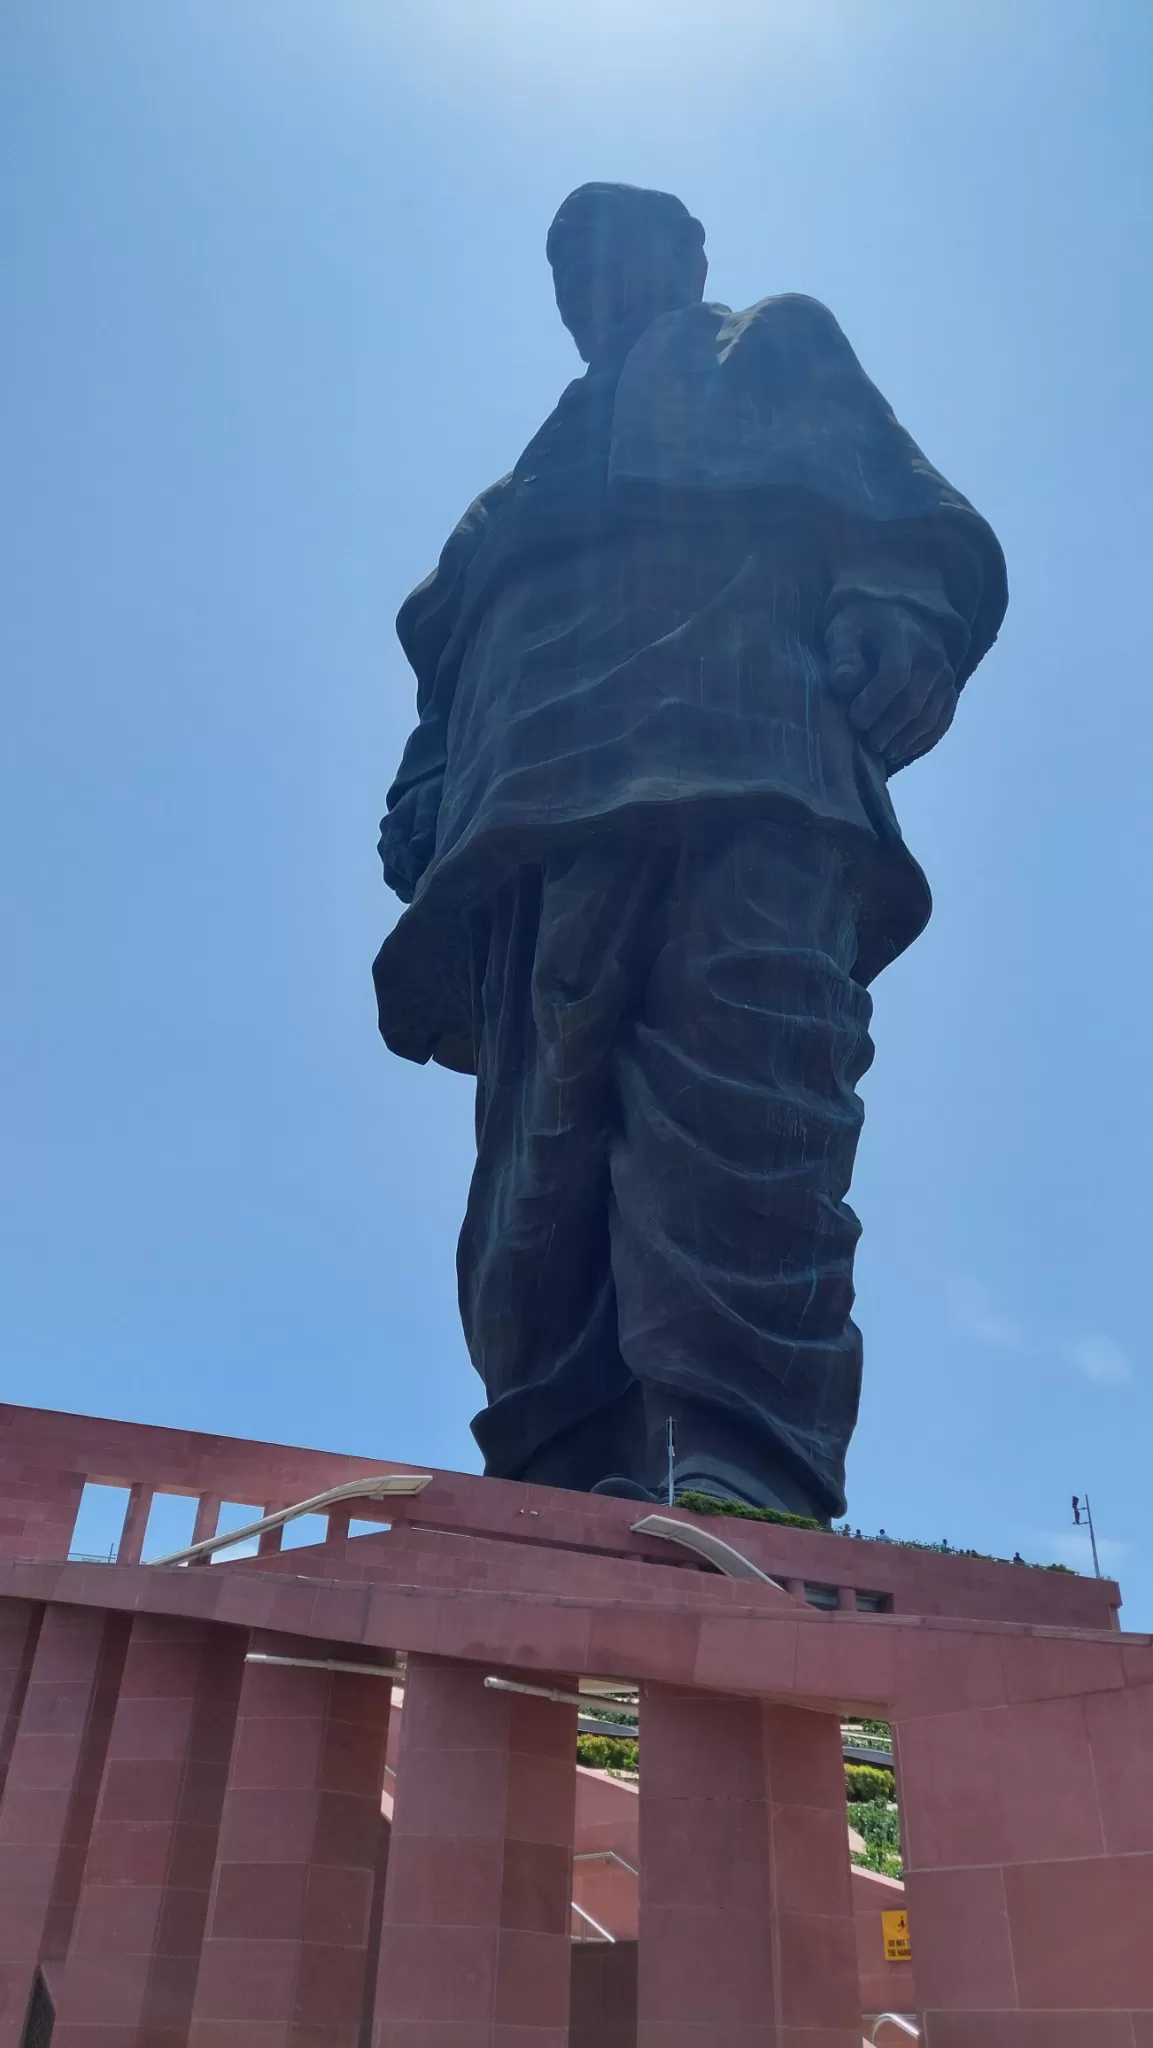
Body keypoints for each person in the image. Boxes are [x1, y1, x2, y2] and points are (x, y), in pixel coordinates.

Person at [374, 182, 1006, 1522]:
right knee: (541, 1151)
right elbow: (443, 665)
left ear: (683, 258)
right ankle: (564, 1469)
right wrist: (425, 785)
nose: (590, 285)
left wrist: (900, 607)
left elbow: (899, 517)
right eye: (567, 272)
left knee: (748, 1083)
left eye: (615, 254)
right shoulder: (508, 495)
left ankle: (739, 1453)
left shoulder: (767, 345)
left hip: (751, 760)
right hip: (530, 805)